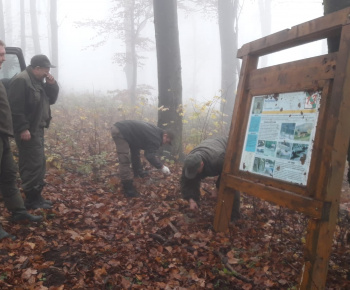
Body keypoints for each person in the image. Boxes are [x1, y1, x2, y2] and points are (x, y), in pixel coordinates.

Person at [0, 40, 42, 240]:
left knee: (9, 175)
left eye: (3, 53)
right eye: (0, 54)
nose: (3, 58)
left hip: (4, 136)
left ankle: (18, 211)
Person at [8, 54, 59, 210]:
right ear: (37, 68)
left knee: (38, 163)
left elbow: (51, 100)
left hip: (37, 128)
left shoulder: (38, 81)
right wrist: (23, 128)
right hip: (27, 130)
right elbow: (15, 108)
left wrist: (51, 84)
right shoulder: (22, 80)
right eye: (46, 69)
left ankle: (37, 197)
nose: (47, 72)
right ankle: (31, 200)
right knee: (31, 163)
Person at [180, 136, 241, 220]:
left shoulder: (218, 159)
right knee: (192, 178)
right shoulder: (189, 162)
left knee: (231, 184)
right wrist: (191, 200)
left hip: (227, 146)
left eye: (196, 171)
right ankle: (196, 204)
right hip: (209, 145)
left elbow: (229, 174)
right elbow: (186, 182)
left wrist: (217, 188)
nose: (193, 174)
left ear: (201, 164)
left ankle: (234, 217)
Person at [111, 120, 174, 197]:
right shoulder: (156, 138)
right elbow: (149, 155)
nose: (165, 143)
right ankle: (128, 189)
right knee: (124, 159)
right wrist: (161, 167)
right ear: (165, 135)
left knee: (135, 152)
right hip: (120, 131)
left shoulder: (157, 132)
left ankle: (138, 172)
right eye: (167, 141)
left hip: (130, 134)